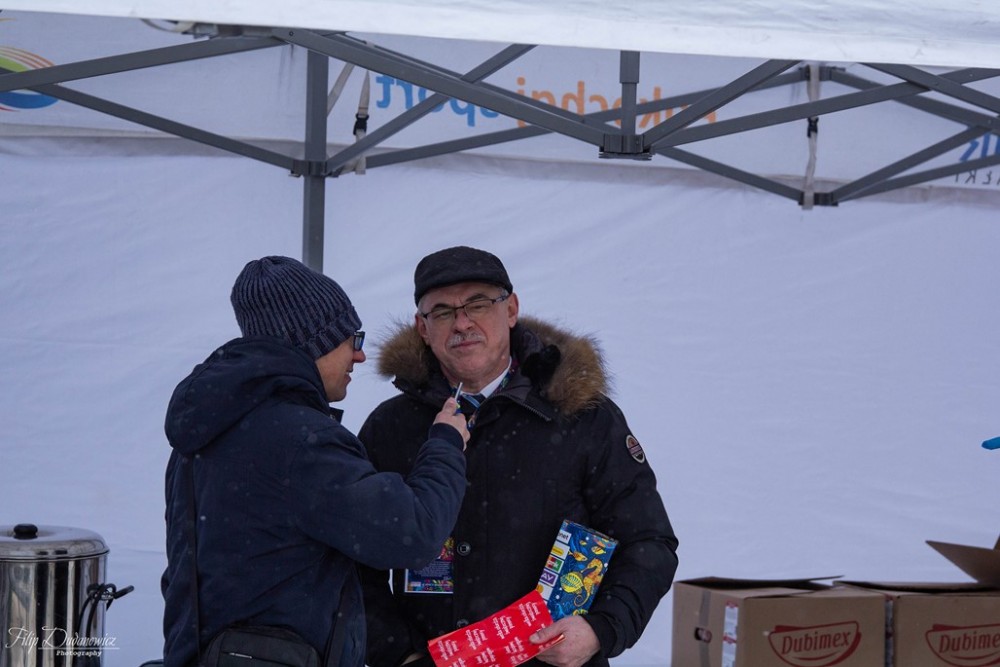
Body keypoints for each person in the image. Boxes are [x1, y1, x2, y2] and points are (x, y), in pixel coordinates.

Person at [358, 246, 679, 667]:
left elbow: (648, 543)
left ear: (511, 310)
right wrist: (400, 653)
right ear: (422, 327)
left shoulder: (583, 416)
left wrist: (601, 629)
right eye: (442, 311)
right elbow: (353, 560)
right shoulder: (390, 427)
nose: (462, 323)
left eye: (478, 304)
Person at [161, 255, 470, 667]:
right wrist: (446, 444)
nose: (360, 356)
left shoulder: (209, 427)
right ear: (314, 343)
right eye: (351, 339)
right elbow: (412, 532)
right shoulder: (298, 441)